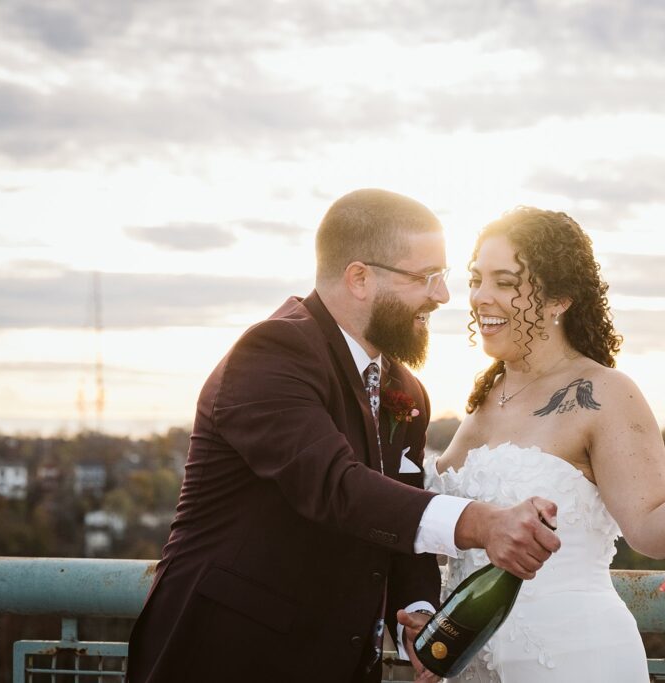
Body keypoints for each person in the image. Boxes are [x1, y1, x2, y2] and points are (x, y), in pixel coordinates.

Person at [126, 190, 561, 683]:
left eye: (444, 277)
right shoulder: (272, 351)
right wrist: (482, 523)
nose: (442, 296)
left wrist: (416, 609)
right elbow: (335, 486)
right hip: (227, 654)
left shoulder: (405, 388)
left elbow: (400, 510)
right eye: (425, 277)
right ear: (359, 278)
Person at [427, 207, 665, 682]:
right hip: (470, 663)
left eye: (506, 282)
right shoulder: (487, 396)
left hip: (575, 659)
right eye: (476, 279)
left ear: (559, 300)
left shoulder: (606, 393)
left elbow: (651, 531)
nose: (480, 297)